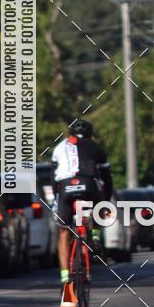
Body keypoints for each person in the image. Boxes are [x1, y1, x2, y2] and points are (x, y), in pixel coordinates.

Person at [51, 119, 113, 286]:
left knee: (64, 232)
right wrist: (106, 203)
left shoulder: (59, 147)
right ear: (90, 134)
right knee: (99, 200)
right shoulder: (96, 147)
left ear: (70, 134)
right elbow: (107, 178)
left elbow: (53, 177)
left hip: (65, 186)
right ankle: (95, 235)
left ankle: (65, 276)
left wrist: (56, 199)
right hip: (88, 183)